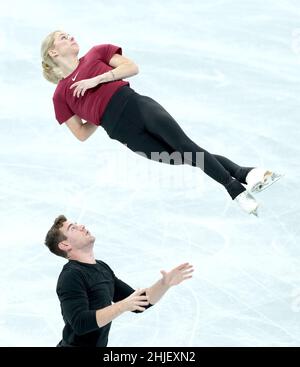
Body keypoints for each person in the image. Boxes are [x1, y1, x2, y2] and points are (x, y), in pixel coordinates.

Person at [40, 30, 282, 216]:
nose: (70, 37)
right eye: (63, 37)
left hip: (138, 106)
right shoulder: (60, 96)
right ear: (53, 52)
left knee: (187, 148)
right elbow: (81, 133)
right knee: (181, 158)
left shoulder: (97, 52)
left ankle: (235, 190)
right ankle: (248, 173)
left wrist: (97, 81)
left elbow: (131, 67)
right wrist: (96, 113)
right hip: (122, 132)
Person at [44, 215, 194, 347]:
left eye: (77, 224)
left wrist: (164, 284)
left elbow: (140, 302)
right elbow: (80, 324)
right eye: (73, 228)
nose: (81, 226)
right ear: (65, 245)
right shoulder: (71, 276)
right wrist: (122, 306)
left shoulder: (102, 268)